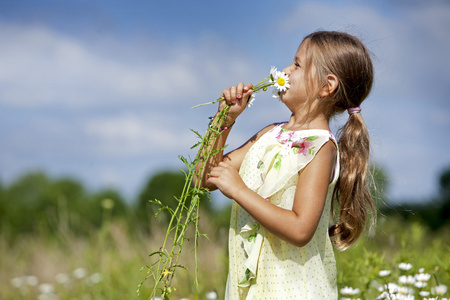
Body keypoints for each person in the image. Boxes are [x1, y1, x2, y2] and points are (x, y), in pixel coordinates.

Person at [194, 31, 376, 299]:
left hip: (292, 289)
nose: (285, 71)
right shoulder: (270, 133)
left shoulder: (320, 147)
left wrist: (240, 190)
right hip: (255, 289)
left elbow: (301, 228)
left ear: (327, 86)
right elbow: (203, 178)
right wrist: (224, 120)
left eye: (297, 65)